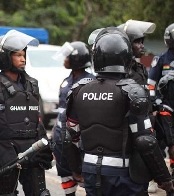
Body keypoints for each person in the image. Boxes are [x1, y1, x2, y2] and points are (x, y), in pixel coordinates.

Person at [64, 27, 174, 196]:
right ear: (126, 57)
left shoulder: (78, 89)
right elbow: (145, 141)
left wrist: (77, 170)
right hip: (125, 177)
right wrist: (164, 179)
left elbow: (69, 137)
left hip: (91, 173)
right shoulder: (132, 91)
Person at [0, 29, 53, 196]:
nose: (23, 58)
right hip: (5, 153)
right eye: (17, 54)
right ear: (5, 57)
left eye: (24, 54)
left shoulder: (32, 85)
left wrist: (46, 150)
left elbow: (37, 121)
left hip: (32, 151)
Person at [118, 19, 158, 194]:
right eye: (137, 41)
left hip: (144, 134)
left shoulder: (141, 68)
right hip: (126, 139)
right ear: (126, 44)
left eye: (142, 41)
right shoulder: (119, 70)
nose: (142, 46)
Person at [51, 41, 95, 196]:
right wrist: (54, 135)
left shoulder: (91, 81)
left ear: (76, 59)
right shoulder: (66, 80)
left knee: (87, 176)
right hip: (62, 137)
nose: (64, 59)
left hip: (80, 138)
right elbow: (61, 111)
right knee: (65, 172)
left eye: (67, 56)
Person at [148, 22, 174, 185]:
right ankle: (154, 177)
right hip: (165, 107)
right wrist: (153, 104)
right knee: (167, 141)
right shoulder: (161, 59)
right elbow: (151, 83)